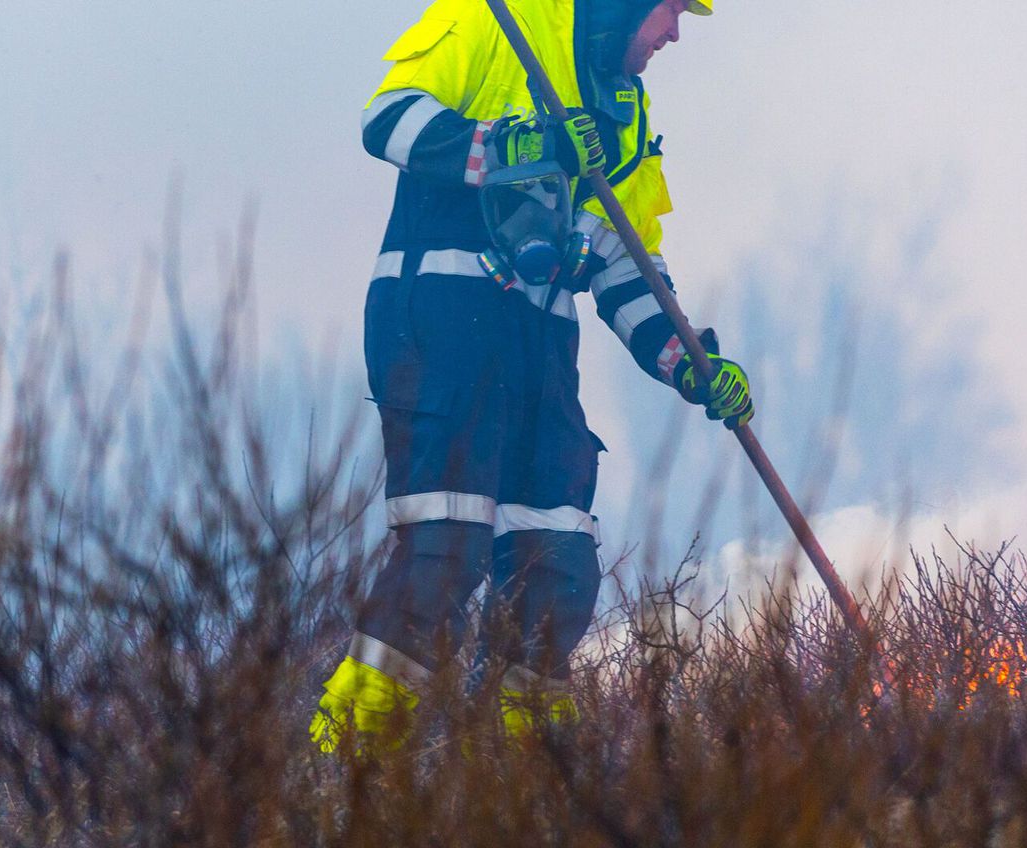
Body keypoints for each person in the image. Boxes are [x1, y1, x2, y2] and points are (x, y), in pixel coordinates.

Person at [310, 0, 753, 750]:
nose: (674, 34)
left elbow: (623, 260)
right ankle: (345, 757)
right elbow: (386, 119)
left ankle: (525, 771)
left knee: (557, 565)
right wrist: (511, 146)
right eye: (672, 9)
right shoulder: (496, 20)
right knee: (445, 551)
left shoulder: (627, 116)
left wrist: (689, 360)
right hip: (441, 316)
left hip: (540, 344)